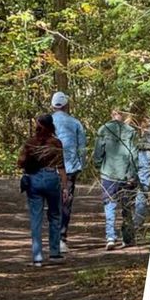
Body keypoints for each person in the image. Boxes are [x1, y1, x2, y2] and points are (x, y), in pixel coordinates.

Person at [17, 114, 68, 267]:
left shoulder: (30, 143)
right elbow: (61, 167)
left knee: (36, 218)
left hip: (34, 180)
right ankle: (54, 253)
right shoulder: (56, 143)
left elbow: (20, 162)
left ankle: (37, 256)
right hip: (52, 178)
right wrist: (65, 187)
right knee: (54, 215)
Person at [93, 110, 139, 250]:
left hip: (108, 174)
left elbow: (98, 152)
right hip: (126, 175)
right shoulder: (131, 131)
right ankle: (128, 238)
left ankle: (110, 237)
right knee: (127, 207)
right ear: (122, 116)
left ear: (112, 116)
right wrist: (132, 174)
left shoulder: (103, 129)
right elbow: (134, 154)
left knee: (109, 205)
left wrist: (98, 164)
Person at [50, 92, 86, 253]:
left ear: (53, 106)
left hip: (50, 169)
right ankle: (61, 238)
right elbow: (82, 147)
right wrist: (81, 164)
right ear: (66, 105)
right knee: (66, 202)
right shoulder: (75, 123)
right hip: (70, 169)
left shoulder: (46, 123)